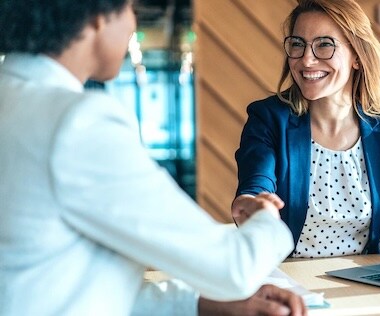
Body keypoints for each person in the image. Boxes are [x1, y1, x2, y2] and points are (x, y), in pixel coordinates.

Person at [0, 1, 307, 315]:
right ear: (96, 18)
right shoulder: (78, 122)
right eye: (130, 8)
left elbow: (52, 281)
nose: (133, 22)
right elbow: (235, 269)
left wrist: (200, 304)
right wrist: (266, 218)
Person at [232, 0, 380, 258]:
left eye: (324, 45)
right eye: (298, 44)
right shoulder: (269, 118)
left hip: (362, 279)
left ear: (357, 57)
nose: (307, 60)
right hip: (290, 280)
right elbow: (257, 184)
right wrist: (252, 204)